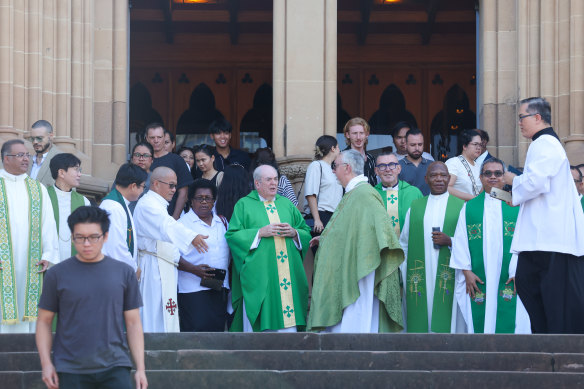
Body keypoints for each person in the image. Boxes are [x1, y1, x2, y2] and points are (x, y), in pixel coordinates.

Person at [36, 206, 147, 389]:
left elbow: (134, 323)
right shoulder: (57, 274)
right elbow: (44, 322)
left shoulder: (124, 273)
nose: (86, 244)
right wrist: (46, 364)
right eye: (80, 237)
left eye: (94, 237)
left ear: (105, 236)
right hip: (70, 367)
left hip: (115, 366)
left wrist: (141, 368)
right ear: (72, 238)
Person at [503, 96, 584, 334]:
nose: (519, 123)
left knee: (545, 296)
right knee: (534, 288)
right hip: (545, 238)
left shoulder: (544, 143)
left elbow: (535, 182)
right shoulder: (545, 143)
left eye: (521, 117)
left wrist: (512, 181)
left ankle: (551, 348)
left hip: (549, 239)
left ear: (537, 117)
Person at [307, 150, 404, 333]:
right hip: (353, 265)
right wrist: (328, 238)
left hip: (361, 270)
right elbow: (350, 231)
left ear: (347, 168)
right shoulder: (353, 193)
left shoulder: (364, 194)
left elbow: (377, 233)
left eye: (334, 167)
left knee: (356, 318)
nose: (333, 171)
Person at [225, 165, 311, 332]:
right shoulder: (244, 205)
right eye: (268, 180)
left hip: (288, 276)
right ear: (257, 184)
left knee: (288, 332)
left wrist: (295, 233)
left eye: (275, 179)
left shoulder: (286, 204)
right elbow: (232, 235)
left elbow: (305, 231)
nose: (274, 183)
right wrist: (258, 233)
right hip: (261, 276)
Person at [450, 158, 531, 334]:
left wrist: (519, 271)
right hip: (480, 275)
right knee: (482, 317)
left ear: (504, 177)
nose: (493, 177)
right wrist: (466, 271)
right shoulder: (470, 207)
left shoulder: (516, 204)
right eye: (488, 173)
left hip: (511, 274)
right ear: (480, 177)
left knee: (512, 318)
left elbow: (525, 240)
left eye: (498, 173)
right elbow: (460, 240)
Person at [133, 167, 204, 333]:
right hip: (153, 269)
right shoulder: (148, 205)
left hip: (161, 265)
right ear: (156, 184)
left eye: (175, 186)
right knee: (154, 314)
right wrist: (191, 236)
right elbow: (166, 226)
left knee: (165, 312)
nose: (174, 190)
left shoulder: (157, 205)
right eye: (171, 185)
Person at [0, 139, 59, 333]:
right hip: (3, 264)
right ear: (6, 159)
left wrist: (48, 254)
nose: (26, 159)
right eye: (20, 155)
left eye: (27, 155)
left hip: (30, 264)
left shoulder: (38, 189)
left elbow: (48, 224)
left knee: (28, 312)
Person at [399, 162, 465, 333]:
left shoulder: (461, 207)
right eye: (434, 175)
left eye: (443, 175)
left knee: (448, 317)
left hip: (450, 271)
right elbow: (404, 243)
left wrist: (450, 241)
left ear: (449, 178)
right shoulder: (415, 207)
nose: (439, 179)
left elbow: (469, 244)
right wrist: (404, 271)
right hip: (419, 272)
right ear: (426, 179)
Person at [177, 179, 230, 332]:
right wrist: (194, 270)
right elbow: (172, 255)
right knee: (196, 332)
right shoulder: (182, 224)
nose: (204, 202)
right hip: (192, 289)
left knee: (217, 330)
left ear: (214, 201)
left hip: (219, 287)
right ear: (191, 201)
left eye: (208, 198)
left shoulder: (222, 222)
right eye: (200, 198)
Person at [100, 163, 148, 273]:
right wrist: (133, 269)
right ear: (133, 186)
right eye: (143, 186)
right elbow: (116, 246)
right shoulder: (113, 207)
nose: (142, 191)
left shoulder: (120, 204)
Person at [47, 153, 91, 261]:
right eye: (76, 170)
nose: (79, 174)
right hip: (49, 263)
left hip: (76, 264)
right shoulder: (43, 197)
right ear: (61, 172)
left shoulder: (84, 201)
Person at [145, 123, 193, 219]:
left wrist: (174, 218)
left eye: (159, 137)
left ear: (164, 138)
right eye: (152, 137)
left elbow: (183, 193)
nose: (156, 141)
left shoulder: (177, 160)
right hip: (145, 216)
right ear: (146, 138)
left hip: (170, 217)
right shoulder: (142, 160)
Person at [373, 152, 423, 239]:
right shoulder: (371, 195)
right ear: (376, 171)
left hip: (409, 247)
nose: (387, 169)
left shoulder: (414, 193)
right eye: (382, 166)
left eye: (392, 165)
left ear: (399, 169)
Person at [303, 135, 343, 240]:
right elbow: (311, 194)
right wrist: (317, 219)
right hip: (322, 215)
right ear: (333, 148)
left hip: (335, 217)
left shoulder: (333, 169)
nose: (340, 150)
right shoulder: (316, 165)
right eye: (338, 147)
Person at [445, 129, 483, 201]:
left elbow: (480, 191)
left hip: (473, 208)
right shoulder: (454, 162)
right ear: (465, 146)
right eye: (475, 144)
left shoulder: (478, 166)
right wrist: (473, 198)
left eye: (480, 145)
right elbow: (446, 188)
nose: (478, 148)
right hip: (458, 208)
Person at [342, 117, 377, 186]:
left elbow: (374, 183)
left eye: (361, 133)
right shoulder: (340, 157)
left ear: (367, 134)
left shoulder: (371, 158)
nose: (358, 137)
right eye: (354, 133)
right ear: (347, 135)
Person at [27, 120, 62, 186]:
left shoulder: (62, 160)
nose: (35, 142)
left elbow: (68, 192)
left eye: (39, 138)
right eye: (32, 139)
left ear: (50, 136)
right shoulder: (27, 160)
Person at [398, 128, 433, 195]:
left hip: (429, 205)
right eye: (413, 145)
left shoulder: (432, 165)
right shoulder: (397, 167)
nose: (417, 148)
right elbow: (392, 193)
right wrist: (393, 206)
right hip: (407, 205)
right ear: (405, 145)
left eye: (420, 144)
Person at [129, 142, 154, 213]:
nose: (141, 159)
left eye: (146, 155)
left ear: (152, 159)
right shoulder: (124, 176)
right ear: (132, 158)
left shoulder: (155, 180)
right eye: (137, 155)